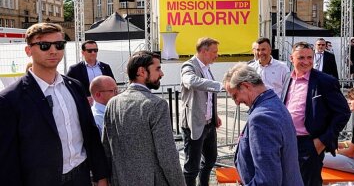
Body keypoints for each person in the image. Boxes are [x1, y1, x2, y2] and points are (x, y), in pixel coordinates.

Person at [0, 23, 108, 186]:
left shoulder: (75, 86)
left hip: (81, 175)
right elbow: (7, 158)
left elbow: (90, 133)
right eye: (44, 45)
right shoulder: (10, 99)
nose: (53, 51)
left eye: (59, 45)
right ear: (28, 50)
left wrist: (101, 176)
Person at [102, 51, 185, 186]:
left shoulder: (113, 103)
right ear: (141, 71)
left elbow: (106, 149)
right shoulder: (156, 105)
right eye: (157, 69)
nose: (162, 74)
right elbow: (168, 156)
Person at [281, 41, 351, 186]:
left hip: (309, 143)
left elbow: (343, 113)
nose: (306, 62)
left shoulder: (325, 81)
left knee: (308, 182)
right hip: (287, 141)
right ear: (291, 58)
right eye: (301, 58)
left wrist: (322, 141)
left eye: (309, 58)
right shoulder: (288, 77)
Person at [223, 63, 303, 186]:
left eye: (235, 96)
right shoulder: (273, 102)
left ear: (245, 86)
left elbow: (267, 181)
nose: (237, 102)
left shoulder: (261, 118)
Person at [180, 37, 223, 186]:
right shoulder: (188, 66)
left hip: (209, 124)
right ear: (204, 51)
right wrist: (219, 85)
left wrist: (214, 115)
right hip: (194, 124)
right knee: (192, 167)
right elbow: (190, 81)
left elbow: (208, 97)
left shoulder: (206, 67)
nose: (217, 55)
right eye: (214, 52)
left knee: (210, 160)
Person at [67, 40, 115, 104]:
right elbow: (68, 87)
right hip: (86, 105)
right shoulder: (75, 69)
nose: (93, 53)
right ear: (83, 52)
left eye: (95, 50)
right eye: (90, 51)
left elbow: (113, 84)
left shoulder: (105, 67)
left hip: (105, 103)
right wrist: (83, 98)